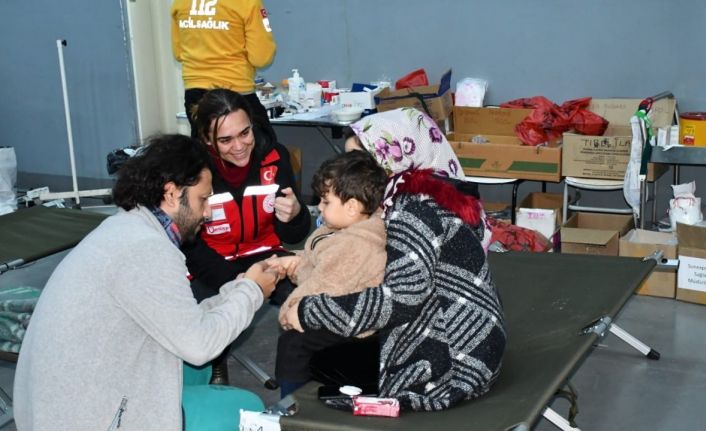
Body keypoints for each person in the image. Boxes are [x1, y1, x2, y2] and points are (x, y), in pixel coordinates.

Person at [13, 134, 279, 430]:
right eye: (203, 199)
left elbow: (181, 321)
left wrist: (237, 289)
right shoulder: (146, 250)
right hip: (82, 419)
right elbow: (200, 344)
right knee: (246, 410)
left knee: (197, 369)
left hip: (58, 406)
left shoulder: (126, 227)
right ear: (172, 193)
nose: (208, 212)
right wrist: (252, 291)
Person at [282, 108, 507, 412]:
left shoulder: (413, 210)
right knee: (327, 333)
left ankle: (287, 418)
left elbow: (401, 298)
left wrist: (310, 310)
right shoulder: (426, 193)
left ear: (392, 157)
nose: (349, 170)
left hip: (451, 365)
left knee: (301, 345)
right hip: (469, 341)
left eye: (360, 160)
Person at [182, 88, 311, 383]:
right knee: (198, 316)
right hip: (209, 265)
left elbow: (295, 234)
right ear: (207, 140)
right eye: (225, 140)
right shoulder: (192, 171)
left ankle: (298, 383)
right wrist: (239, 281)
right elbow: (189, 246)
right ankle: (215, 366)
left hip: (266, 256)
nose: (240, 146)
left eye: (245, 133)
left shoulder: (275, 157)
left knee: (313, 294)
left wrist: (296, 214)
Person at [267, 150, 388, 397]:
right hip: (339, 306)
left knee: (293, 344)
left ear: (351, 207)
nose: (320, 208)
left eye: (326, 202)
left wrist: (289, 311)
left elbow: (321, 286)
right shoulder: (344, 228)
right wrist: (293, 261)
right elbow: (317, 258)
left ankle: (294, 403)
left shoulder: (354, 244)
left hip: (355, 327)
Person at [171, 0, 276, 137]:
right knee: (265, 143)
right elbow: (261, 58)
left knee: (204, 148)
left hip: (195, 92)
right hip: (235, 92)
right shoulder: (247, 3)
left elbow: (178, 53)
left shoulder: (180, 3)